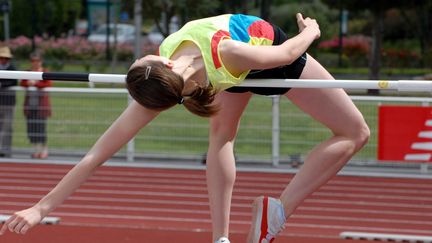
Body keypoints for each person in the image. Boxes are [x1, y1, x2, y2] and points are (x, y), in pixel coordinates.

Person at [0, 13, 370, 243]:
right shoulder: (163, 72)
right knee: (354, 133)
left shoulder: (221, 54)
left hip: (268, 51)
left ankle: (274, 212)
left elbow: (288, 53)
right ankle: (222, 237)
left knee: (350, 133)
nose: (140, 57)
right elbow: (99, 152)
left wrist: (309, 32)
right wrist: (40, 207)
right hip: (237, 64)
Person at [20, 51, 52, 159]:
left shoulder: (45, 71)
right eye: (33, 61)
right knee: (31, 128)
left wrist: (36, 84)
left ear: (41, 61)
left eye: (37, 61)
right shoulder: (28, 72)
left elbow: (48, 83)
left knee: (41, 128)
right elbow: (22, 82)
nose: (35, 63)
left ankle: (44, 150)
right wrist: (28, 83)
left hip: (41, 106)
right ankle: (36, 150)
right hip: (30, 105)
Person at [0, 46, 17, 158]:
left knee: (7, 127)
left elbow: (14, 81)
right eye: (2, 57)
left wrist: (2, 85)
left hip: (8, 103)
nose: (3, 59)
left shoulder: (12, 68)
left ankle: (5, 150)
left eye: (5, 57)